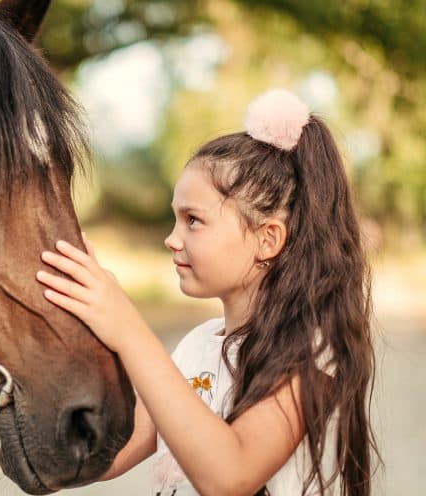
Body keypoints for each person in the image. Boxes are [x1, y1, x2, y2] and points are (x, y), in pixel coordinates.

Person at [36, 89, 379, 495]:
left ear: (268, 240)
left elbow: (229, 476)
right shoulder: (198, 347)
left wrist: (128, 330)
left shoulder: (311, 356)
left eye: (193, 220)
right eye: (175, 219)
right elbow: (99, 454)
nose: (171, 239)